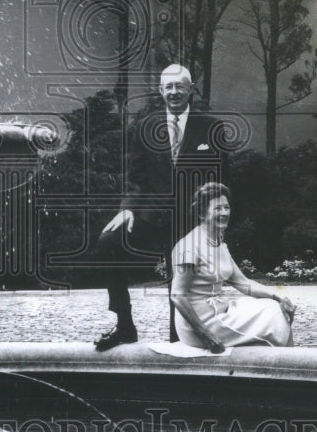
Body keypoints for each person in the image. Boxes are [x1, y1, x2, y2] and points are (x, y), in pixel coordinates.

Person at [94, 63, 229, 351]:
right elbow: (135, 176)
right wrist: (127, 207)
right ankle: (124, 326)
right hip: (151, 218)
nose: (174, 92)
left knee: (178, 294)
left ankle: (180, 337)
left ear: (191, 89)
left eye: (180, 86)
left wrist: (214, 225)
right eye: (168, 86)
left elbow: (222, 180)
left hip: (191, 223)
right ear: (160, 91)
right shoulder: (145, 127)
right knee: (108, 242)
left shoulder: (211, 128)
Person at [171, 182, 295, 351]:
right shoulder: (189, 245)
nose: (224, 213)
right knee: (273, 316)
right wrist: (204, 333)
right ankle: (286, 363)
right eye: (217, 209)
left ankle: (284, 362)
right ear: (201, 214)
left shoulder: (219, 244)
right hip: (200, 326)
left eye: (226, 208)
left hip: (220, 313)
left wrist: (278, 297)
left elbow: (243, 282)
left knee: (275, 307)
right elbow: (177, 295)